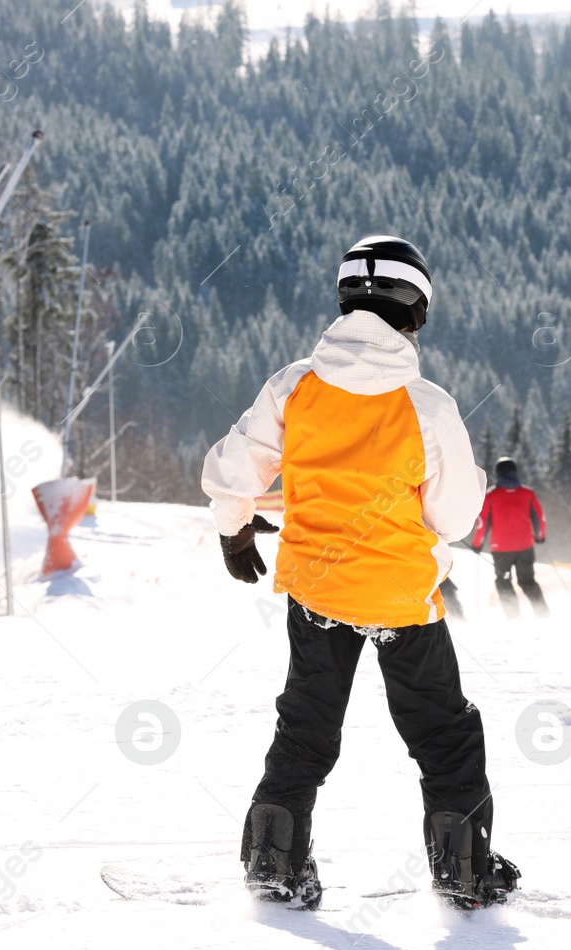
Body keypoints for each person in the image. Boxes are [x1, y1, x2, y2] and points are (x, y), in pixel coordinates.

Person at [201, 234, 520, 911]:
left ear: (346, 299)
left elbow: (239, 462)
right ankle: (464, 870)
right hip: (401, 595)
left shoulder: (296, 385)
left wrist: (233, 528)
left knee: (306, 725)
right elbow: (457, 516)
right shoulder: (425, 405)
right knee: (444, 732)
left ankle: (273, 861)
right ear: (416, 312)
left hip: (316, 589)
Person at [470, 457, 549, 619]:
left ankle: (514, 618)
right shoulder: (527, 494)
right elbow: (540, 518)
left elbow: (481, 524)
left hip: (501, 550)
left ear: (498, 474)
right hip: (525, 547)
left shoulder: (491, 496)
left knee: (504, 581)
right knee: (527, 581)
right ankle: (543, 615)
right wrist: (540, 536)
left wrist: (477, 544)